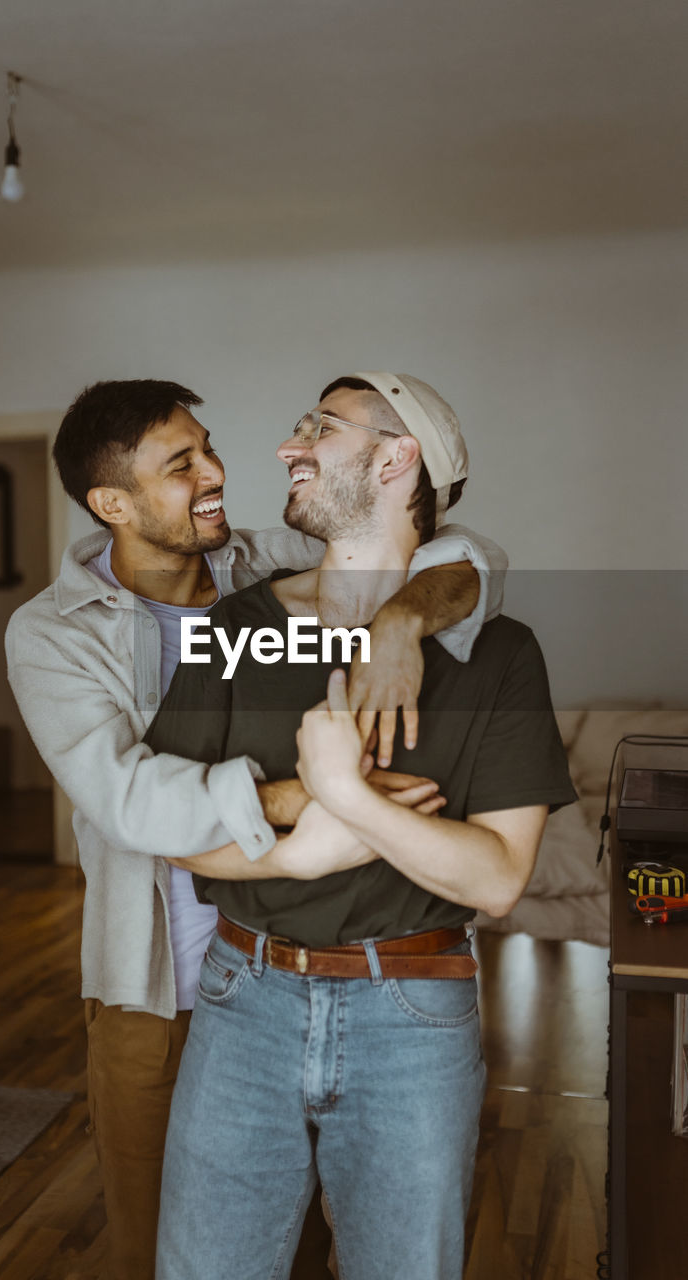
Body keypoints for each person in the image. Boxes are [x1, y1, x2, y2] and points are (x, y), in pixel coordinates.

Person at [4, 378, 508, 1280]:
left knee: (329, 1243)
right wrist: (311, 793)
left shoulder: (259, 564)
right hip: (160, 984)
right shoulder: (49, 632)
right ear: (111, 503)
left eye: (207, 447)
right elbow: (128, 801)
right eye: (181, 464)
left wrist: (399, 619)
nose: (217, 473)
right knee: (166, 1250)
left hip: (299, 970)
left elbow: (457, 549)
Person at [146, 372, 577, 1280]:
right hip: (241, 1000)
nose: (285, 446)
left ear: (396, 458)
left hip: (411, 1017)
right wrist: (309, 846)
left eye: (320, 428)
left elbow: (497, 877)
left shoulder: (498, 654)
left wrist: (347, 796)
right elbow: (172, 826)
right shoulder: (238, 623)